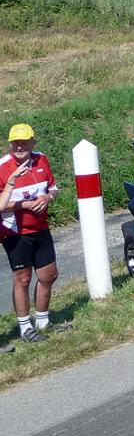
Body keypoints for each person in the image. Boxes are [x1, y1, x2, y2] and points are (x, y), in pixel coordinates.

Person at [1, 124, 67, 343]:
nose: (19, 146)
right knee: (23, 278)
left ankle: (43, 320)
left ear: (32, 142)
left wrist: (47, 198)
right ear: (9, 144)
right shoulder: (2, 167)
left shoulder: (42, 159)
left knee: (49, 275)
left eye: (24, 142)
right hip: (15, 231)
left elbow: (53, 188)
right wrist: (25, 205)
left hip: (41, 227)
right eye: (15, 143)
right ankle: (25, 327)